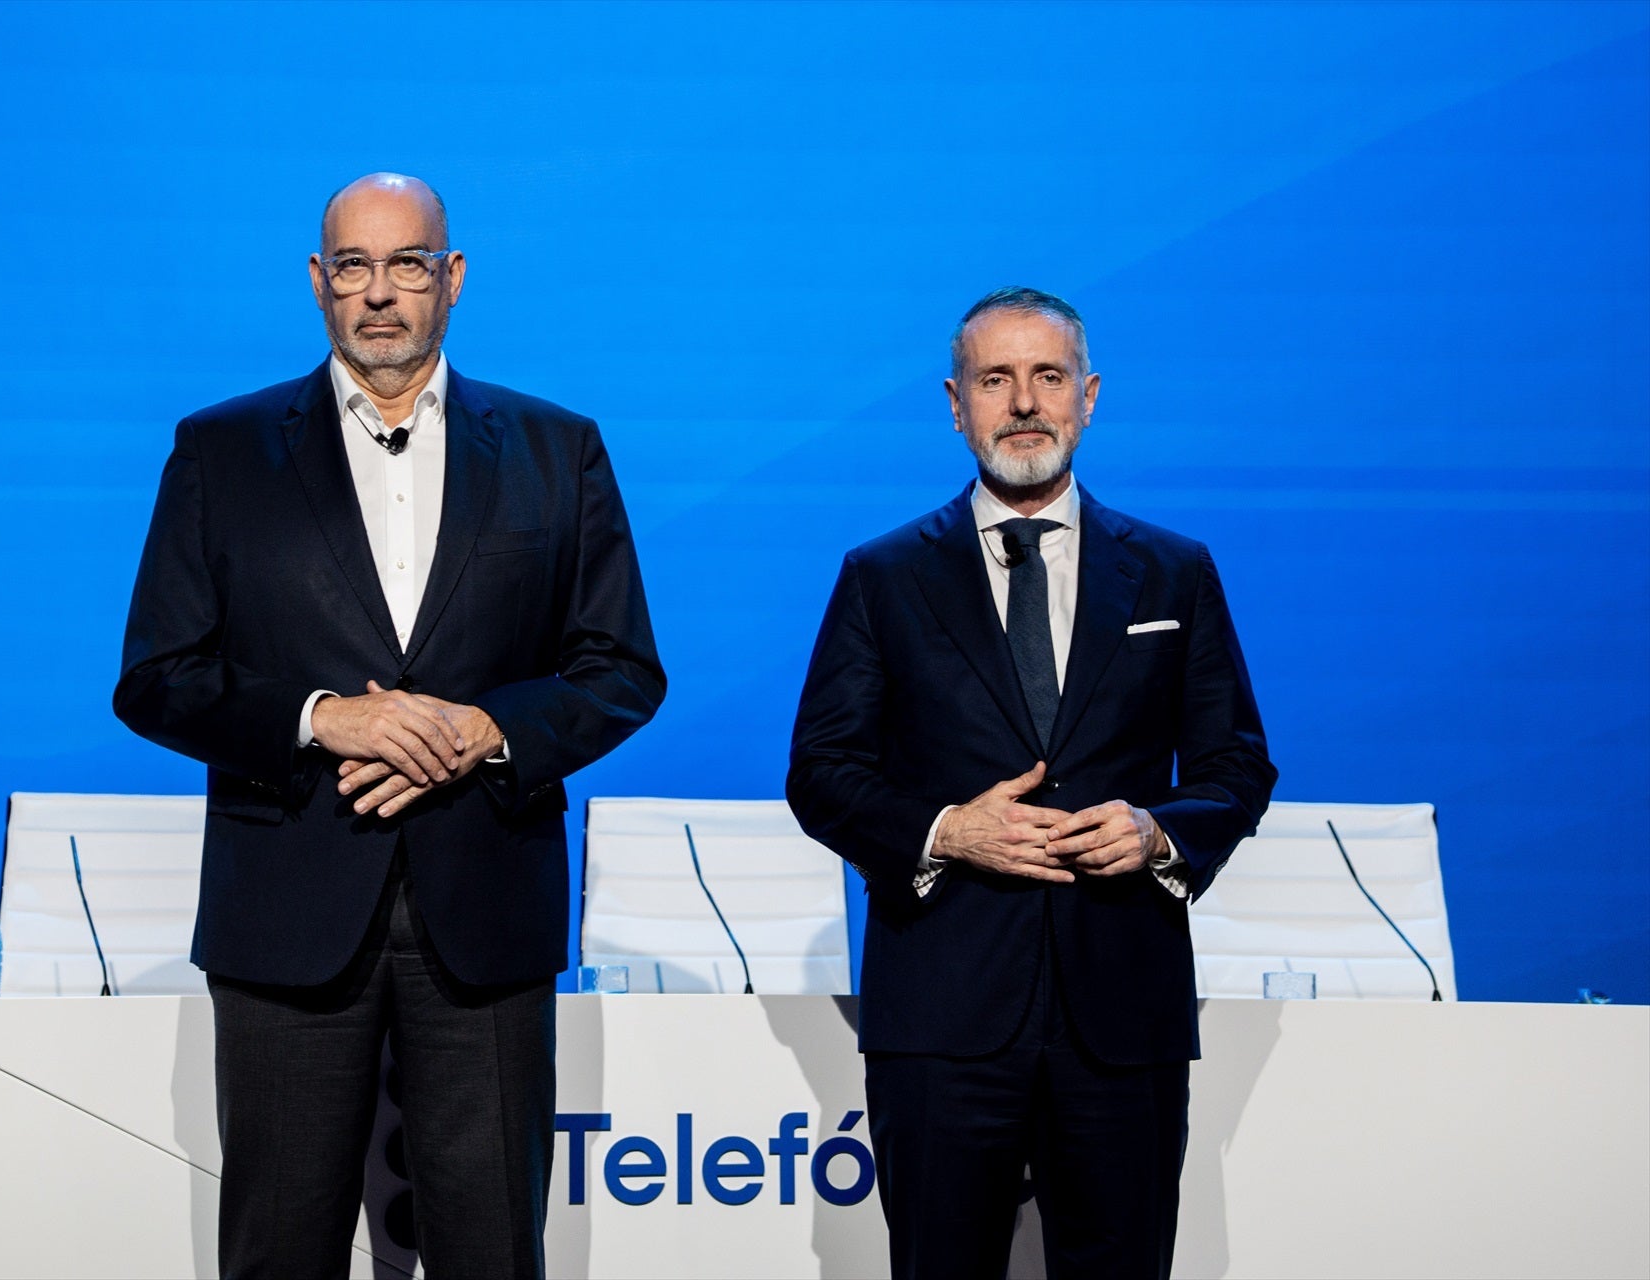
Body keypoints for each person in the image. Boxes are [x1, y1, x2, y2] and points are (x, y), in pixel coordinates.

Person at [114, 173, 664, 1279]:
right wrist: (326, 719)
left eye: (407, 263)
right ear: (319, 283)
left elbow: (618, 668)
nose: (380, 293)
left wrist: (481, 731)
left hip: (485, 914)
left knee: (494, 1251)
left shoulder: (561, 450)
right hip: (288, 918)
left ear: (451, 279)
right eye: (353, 267)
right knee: (280, 1251)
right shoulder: (220, 451)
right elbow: (159, 676)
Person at [786, 287, 1276, 1279]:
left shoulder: (1174, 572)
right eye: (995, 379)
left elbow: (1235, 766)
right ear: (955, 402)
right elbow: (823, 773)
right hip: (944, 1006)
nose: (1023, 402)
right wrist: (944, 831)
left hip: (1121, 1005)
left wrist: (1158, 832)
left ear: (1087, 397)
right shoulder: (882, 575)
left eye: (1047, 376)